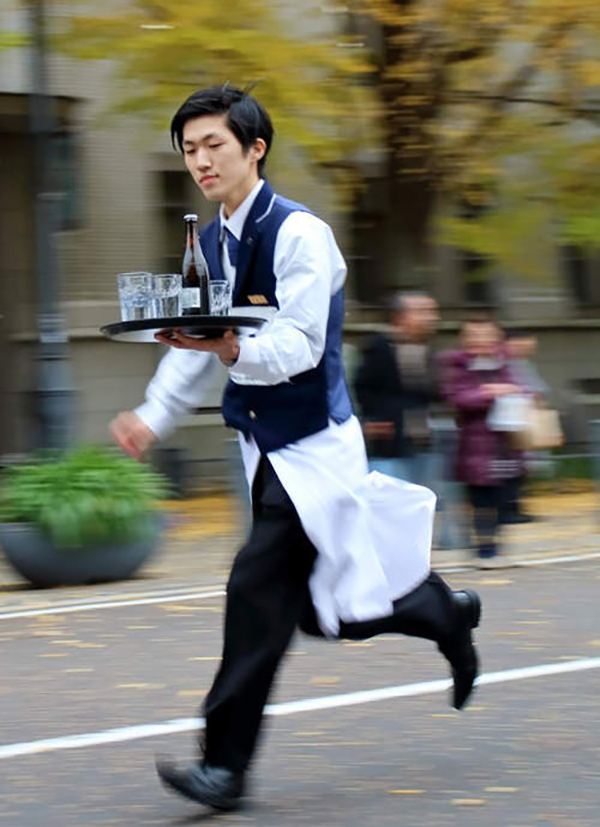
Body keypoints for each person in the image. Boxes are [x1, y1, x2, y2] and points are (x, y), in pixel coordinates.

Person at [110, 84, 481, 812]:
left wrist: (226, 345)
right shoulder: (209, 241)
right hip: (264, 449)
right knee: (318, 608)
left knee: (255, 589)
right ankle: (444, 612)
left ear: (256, 148)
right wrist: (154, 414)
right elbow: (198, 345)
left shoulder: (301, 234)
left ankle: (224, 766)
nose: (201, 160)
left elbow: (300, 345)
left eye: (214, 144)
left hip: (312, 442)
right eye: (189, 150)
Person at [441, 316, 523, 567]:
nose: (481, 340)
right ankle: (484, 551)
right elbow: (458, 399)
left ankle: (496, 547)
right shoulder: (458, 365)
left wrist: (511, 391)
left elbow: (520, 389)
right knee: (480, 500)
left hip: (504, 445)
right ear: (465, 339)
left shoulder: (503, 363)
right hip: (474, 445)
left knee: (503, 498)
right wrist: (490, 392)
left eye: (487, 335)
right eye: (474, 335)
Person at [353, 291, 440, 486]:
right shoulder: (379, 347)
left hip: (420, 435)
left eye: (432, 312)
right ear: (399, 316)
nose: (431, 318)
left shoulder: (426, 349)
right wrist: (374, 419)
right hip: (389, 438)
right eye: (422, 311)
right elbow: (363, 386)